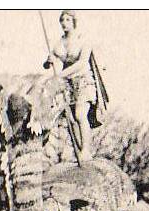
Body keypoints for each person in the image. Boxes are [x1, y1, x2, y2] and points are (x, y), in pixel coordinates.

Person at [43, 10, 106, 162]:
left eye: (67, 20)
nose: (64, 23)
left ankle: (86, 150)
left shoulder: (83, 40)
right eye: (62, 20)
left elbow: (81, 63)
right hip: (68, 85)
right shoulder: (59, 42)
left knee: (80, 115)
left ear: (74, 22)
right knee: (71, 119)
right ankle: (78, 151)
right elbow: (47, 63)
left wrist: (60, 75)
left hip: (84, 81)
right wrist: (49, 61)